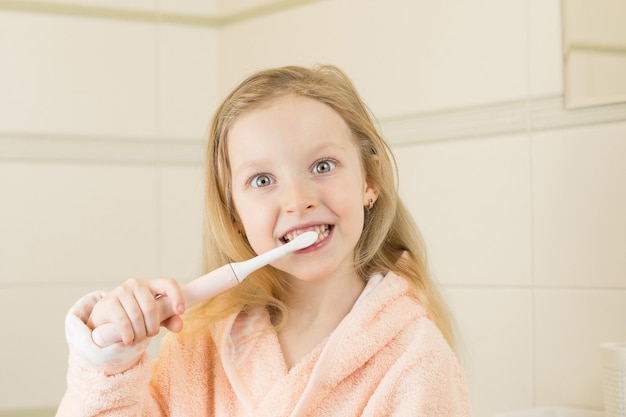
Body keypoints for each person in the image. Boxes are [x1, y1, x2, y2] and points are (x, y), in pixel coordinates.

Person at [57, 64, 471, 416]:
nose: (297, 201)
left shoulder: (415, 358)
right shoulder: (199, 344)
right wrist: (108, 358)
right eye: (262, 180)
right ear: (234, 212)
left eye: (323, 165)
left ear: (370, 179)